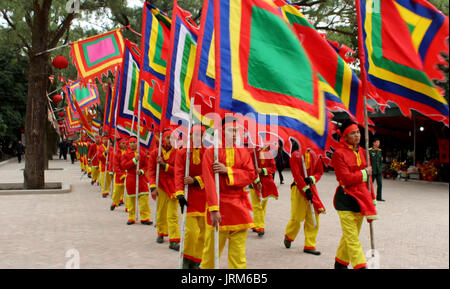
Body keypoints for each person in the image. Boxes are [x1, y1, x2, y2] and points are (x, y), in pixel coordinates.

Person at [200, 117, 257, 269]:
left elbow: (251, 175)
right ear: (222, 131)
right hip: (219, 209)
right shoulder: (211, 153)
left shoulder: (243, 152)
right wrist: (214, 209)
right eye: (231, 130)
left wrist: (228, 171)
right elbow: (209, 182)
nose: (234, 134)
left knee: (238, 258)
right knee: (210, 257)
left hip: (240, 208)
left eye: (236, 131)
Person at [331, 121, 378, 269]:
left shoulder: (364, 152)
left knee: (350, 236)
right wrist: (364, 173)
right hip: (345, 199)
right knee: (352, 238)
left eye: (358, 132)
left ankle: (340, 263)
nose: (357, 135)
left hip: (362, 199)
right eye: (353, 133)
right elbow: (344, 178)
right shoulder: (338, 154)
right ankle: (360, 265)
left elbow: (369, 179)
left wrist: (373, 197)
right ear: (345, 136)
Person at [174, 124, 207, 269]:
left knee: (204, 233)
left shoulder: (208, 153)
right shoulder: (182, 153)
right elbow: (178, 174)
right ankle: (186, 259)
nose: (198, 137)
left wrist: (195, 180)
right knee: (191, 232)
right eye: (195, 134)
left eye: (200, 135)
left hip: (205, 198)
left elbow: (210, 175)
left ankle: (196, 260)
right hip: (188, 198)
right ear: (191, 136)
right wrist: (180, 194)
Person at [284, 145, 326, 255]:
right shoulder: (295, 155)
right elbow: (297, 175)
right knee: (297, 217)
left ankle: (310, 245)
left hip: (311, 188)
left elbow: (319, 171)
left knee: (313, 217)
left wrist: (312, 179)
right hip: (298, 188)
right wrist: (305, 188)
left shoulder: (316, 154)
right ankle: (289, 236)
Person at [148, 129, 180, 251]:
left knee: (172, 214)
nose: (169, 140)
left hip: (173, 187)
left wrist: (164, 165)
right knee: (161, 212)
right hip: (160, 186)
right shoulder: (155, 153)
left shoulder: (178, 153)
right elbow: (151, 171)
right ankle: (161, 232)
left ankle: (174, 239)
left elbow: (178, 171)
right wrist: (152, 187)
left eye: (172, 138)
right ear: (162, 139)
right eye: (167, 137)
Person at [121, 136, 152, 225]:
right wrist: (134, 160)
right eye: (131, 142)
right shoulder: (126, 154)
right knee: (131, 200)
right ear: (128, 144)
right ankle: (131, 217)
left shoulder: (141, 153)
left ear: (137, 143)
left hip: (141, 179)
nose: (133, 144)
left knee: (144, 199)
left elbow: (146, 165)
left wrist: (142, 171)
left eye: (134, 142)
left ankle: (145, 218)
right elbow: (124, 166)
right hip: (131, 179)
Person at [249, 145, 279, 237]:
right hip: (253, 182)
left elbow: (273, 168)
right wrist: (256, 180)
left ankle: (256, 223)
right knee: (256, 205)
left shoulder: (268, 153)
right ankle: (260, 226)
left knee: (263, 205)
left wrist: (262, 170)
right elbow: (249, 168)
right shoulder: (252, 152)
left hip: (266, 183)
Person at [111, 138, 127, 211]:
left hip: (128, 175)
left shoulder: (128, 152)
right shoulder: (116, 154)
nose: (124, 145)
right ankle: (115, 202)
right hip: (119, 175)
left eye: (125, 143)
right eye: (122, 143)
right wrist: (122, 174)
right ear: (119, 144)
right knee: (117, 191)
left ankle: (128, 207)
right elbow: (116, 167)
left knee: (128, 192)